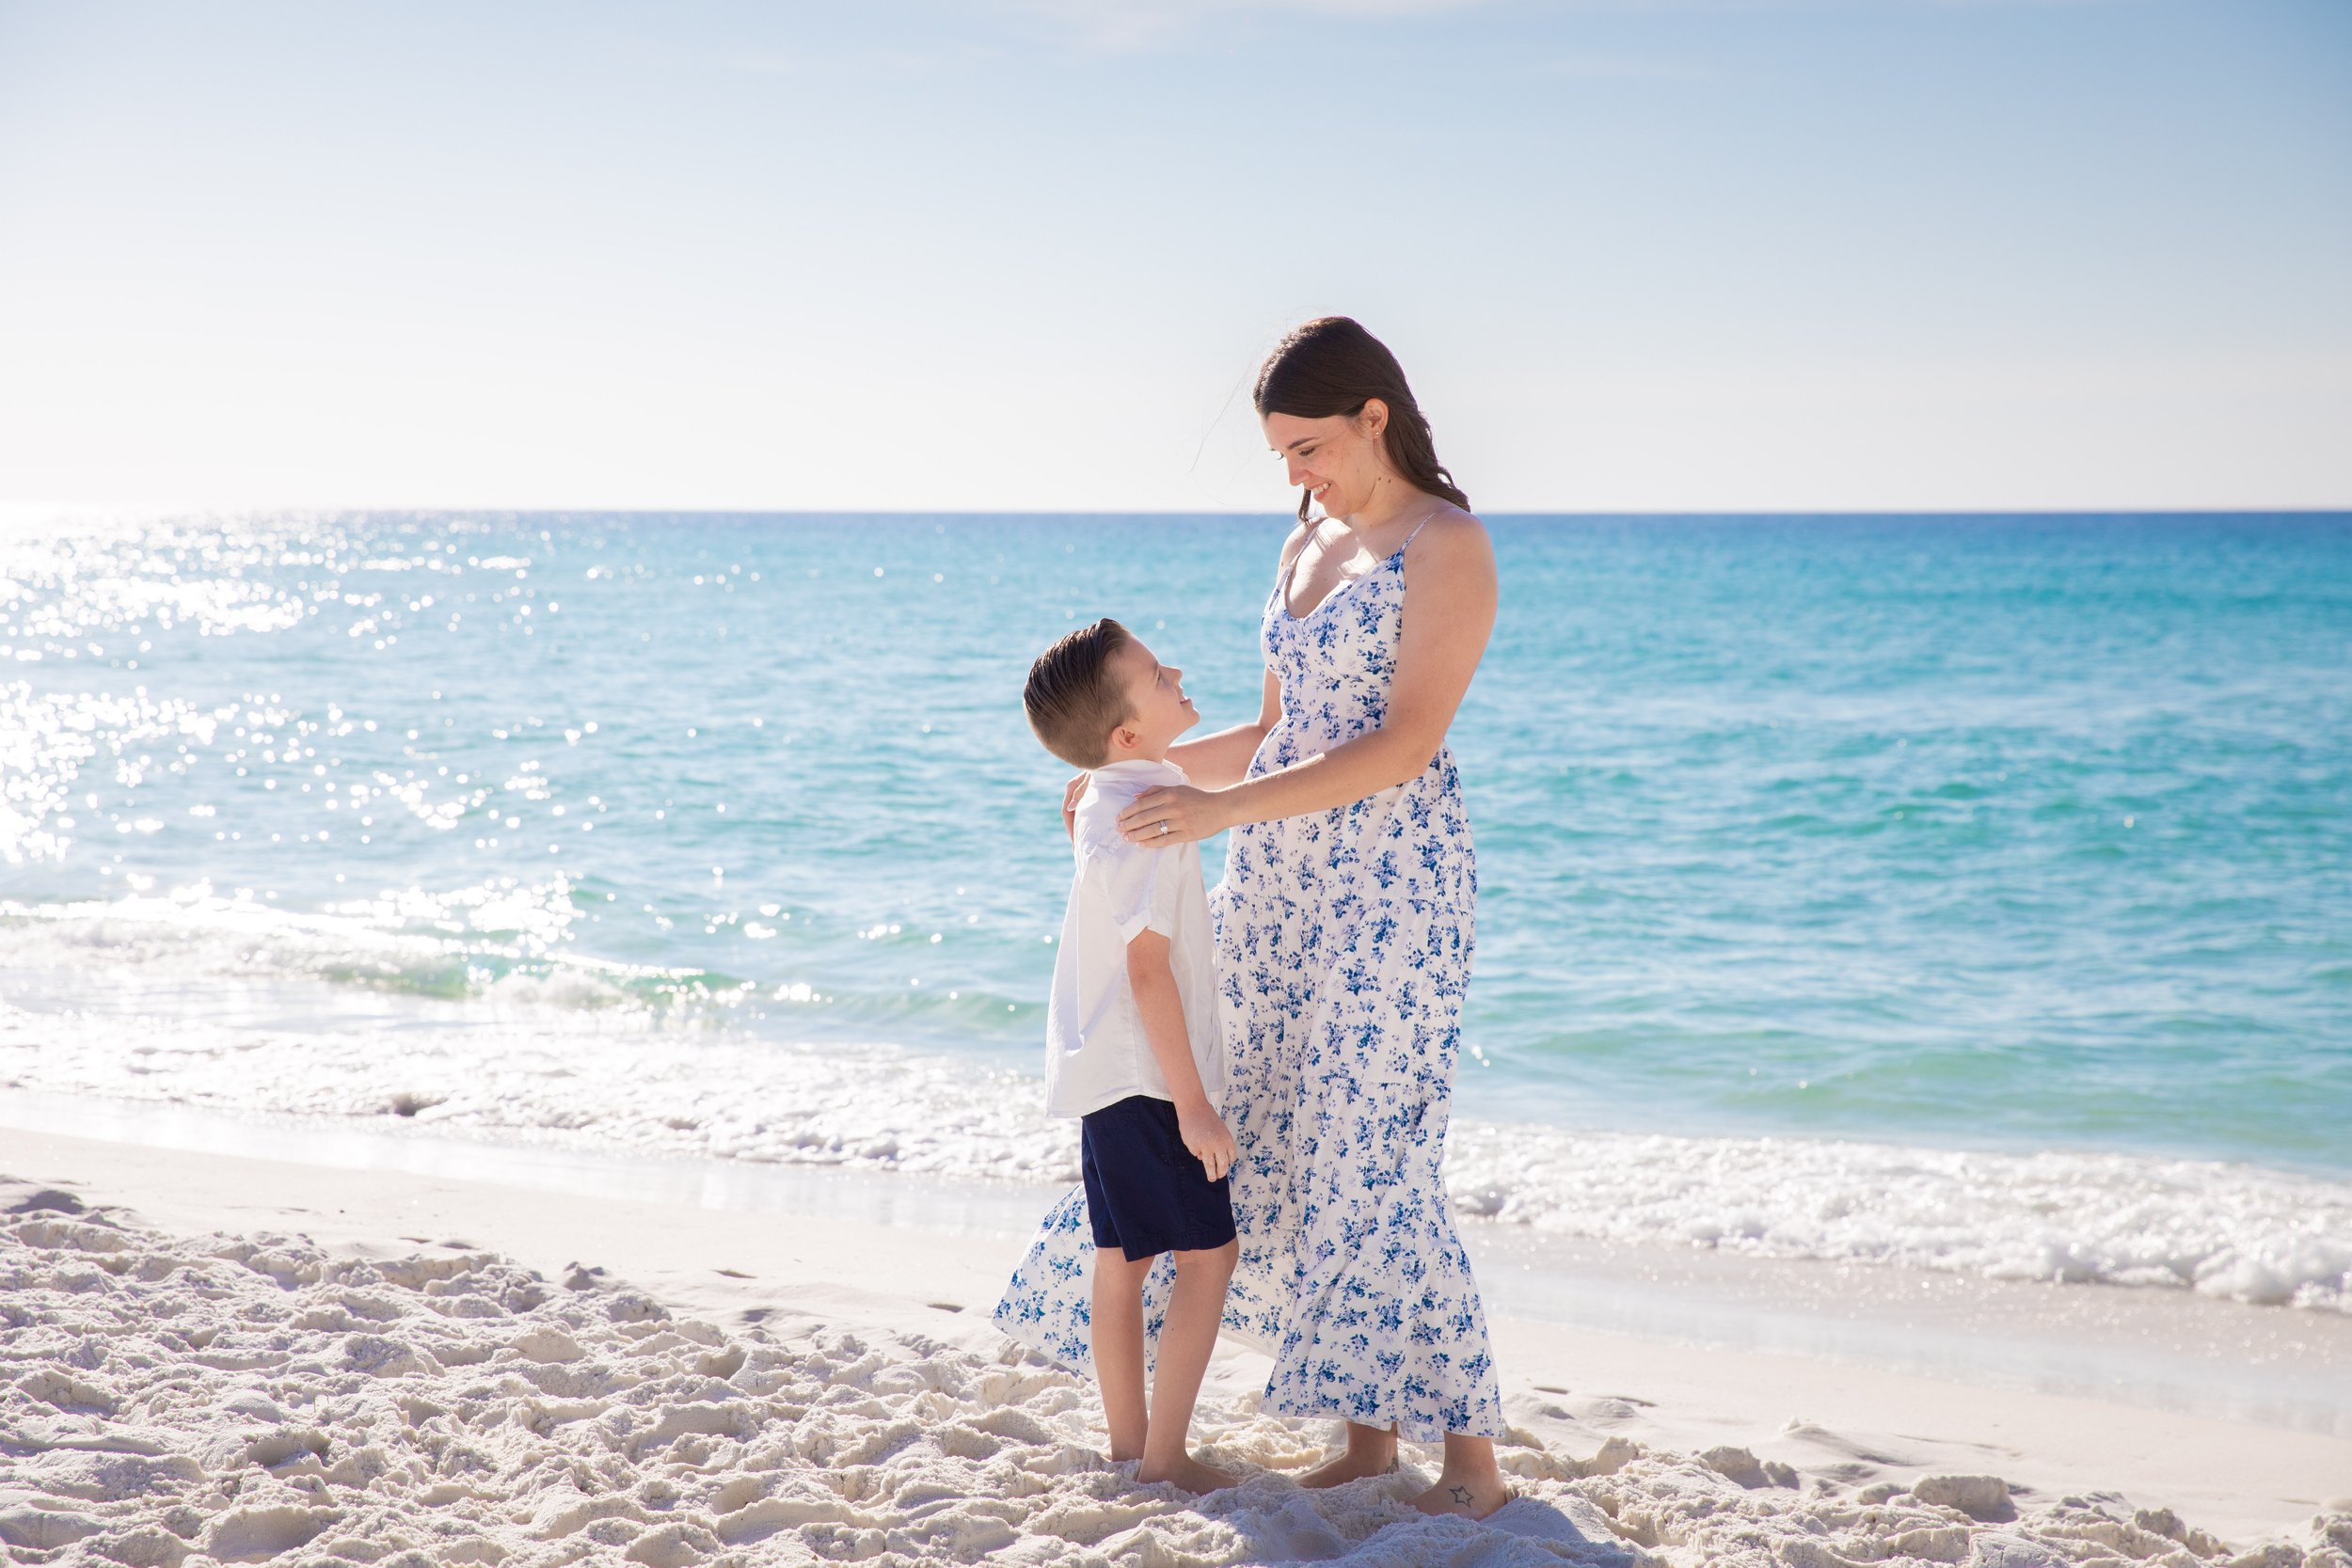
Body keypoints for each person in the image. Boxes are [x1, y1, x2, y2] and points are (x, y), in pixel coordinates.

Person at [995, 317, 1508, 1518]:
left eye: (1310, 445)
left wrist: (1213, 806)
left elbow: (1403, 742)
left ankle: (1474, 1455)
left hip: (1396, 884)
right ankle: (1368, 1437)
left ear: (1374, 417)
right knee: (1298, 1137)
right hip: (1275, 882)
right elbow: (1273, 730)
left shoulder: (1448, 544)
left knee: (1377, 1148)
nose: (1296, 473)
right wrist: (1135, 790)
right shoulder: (1305, 538)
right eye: (1281, 453)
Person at [1012, 616, 1241, 1495]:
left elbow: (1245, 749)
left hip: (1103, 1075)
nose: (1176, 667)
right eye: (1155, 672)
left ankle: (1128, 1443)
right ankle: (1166, 1455)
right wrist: (1194, 1103)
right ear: (1127, 733)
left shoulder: (1111, 792)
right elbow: (1151, 973)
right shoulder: (1147, 813)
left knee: (1122, 1257)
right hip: (1150, 1079)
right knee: (1208, 1258)